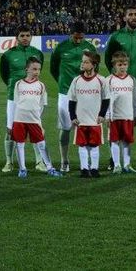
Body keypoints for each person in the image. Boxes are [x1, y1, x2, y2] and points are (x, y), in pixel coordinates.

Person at [105, 5, 136, 170]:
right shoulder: (116, 37)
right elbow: (108, 59)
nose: (133, 17)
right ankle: (114, 160)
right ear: (125, 18)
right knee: (115, 121)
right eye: (130, 15)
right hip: (119, 85)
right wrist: (118, 78)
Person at [50, 22, 96, 173]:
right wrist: (64, 83)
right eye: (76, 37)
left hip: (85, 93)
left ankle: (88, 161)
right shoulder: (61, 47)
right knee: (65, 128)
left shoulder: (90, 48)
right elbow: (53, 69)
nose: (78, 40)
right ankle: (64, 160)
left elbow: (94, 70)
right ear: (70, 34)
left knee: (87, 126)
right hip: (65, 93)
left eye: (81, 37)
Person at [0, 25, 45, 173]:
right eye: (22, 35)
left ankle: (39, 161)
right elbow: (4, 74)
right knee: (10, 129)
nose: (25, 38)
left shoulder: (37, 53)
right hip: (14, 97)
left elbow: (39, 71)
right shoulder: (8, 55)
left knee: (36, 128)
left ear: (31, 36)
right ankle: (9, 162)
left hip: (33, 98)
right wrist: (15, 87)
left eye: (27, 35)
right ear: (17, 38)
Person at [8, 56, 62, 178]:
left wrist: (39, 120)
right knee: (20, 144)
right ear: (27, 69)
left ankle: (49, 167)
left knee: (42, 144)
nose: (37, 72)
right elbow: (15, 103)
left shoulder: (41, 86)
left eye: (38, 69)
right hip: (19, 119)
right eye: (34, 69)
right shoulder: (18, 84)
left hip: (34, 120)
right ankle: (22, 169)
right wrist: (11, 122)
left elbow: (43, 104)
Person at [69, 51, 110, 178]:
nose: (83, 64)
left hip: (94, 120)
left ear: (93, 64)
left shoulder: (101, 80)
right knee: (82, 145)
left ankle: (94, 168)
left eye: (86, 62)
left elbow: (106, 99)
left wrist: (102, 115)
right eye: (82, 61)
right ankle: (84, 169)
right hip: (80, 120)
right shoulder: (76, 80)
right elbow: (71, 100)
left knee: (94, 145)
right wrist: (73, 117)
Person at [106, 51, 136, 174]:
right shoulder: (109, 80)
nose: (122, 67)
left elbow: (135, 98)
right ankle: (116, 165)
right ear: (114, 65)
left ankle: (127, 164)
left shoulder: (131, 79)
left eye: (125, 64)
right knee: (114, 140)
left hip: (128, 115)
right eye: (120, 64)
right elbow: (105, 100)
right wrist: (107, 115)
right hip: (114, 116)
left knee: (127, 141)